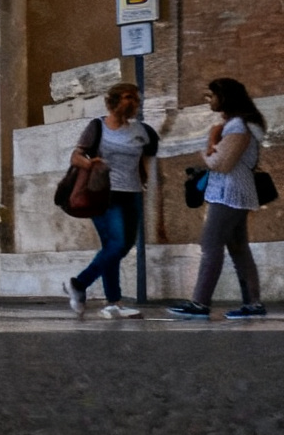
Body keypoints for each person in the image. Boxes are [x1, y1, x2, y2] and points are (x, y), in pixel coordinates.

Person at [172, 77, 267, 320]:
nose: (209, 100)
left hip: (229, 193)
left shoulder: (237, 126)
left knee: (211, 245)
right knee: (238, 249)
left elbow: (221, 164)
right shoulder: (241, 124)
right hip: (235, 192)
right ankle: (253, 304)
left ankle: (200, 302)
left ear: (225, 98)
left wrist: (210, 143)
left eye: (212, 95)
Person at [65, 81, 157, 318]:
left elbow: (146, 161)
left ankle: (111, 303)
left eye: (136, 98)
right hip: (104, 193)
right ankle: (81, 284)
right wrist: (90, 164)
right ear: (114, 101)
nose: (133, 102)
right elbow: (76, 156)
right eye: (128, 97)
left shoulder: (142, 131)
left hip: (133, 192)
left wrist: (147, 183)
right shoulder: (98, 127)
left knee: (122, 246)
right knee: (116, 244)